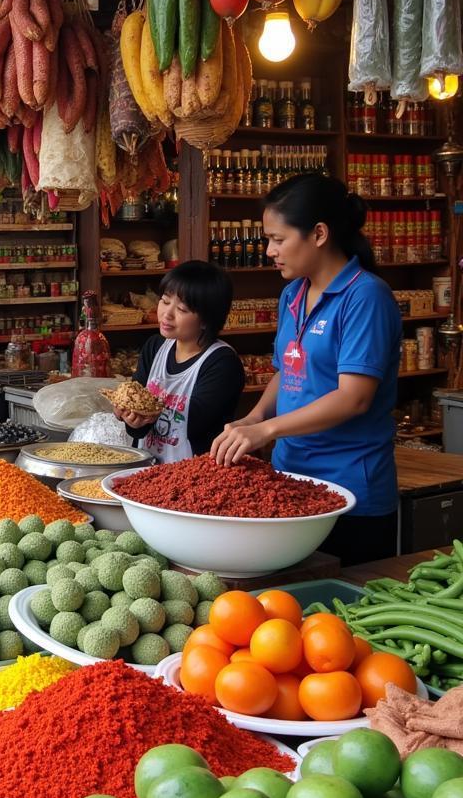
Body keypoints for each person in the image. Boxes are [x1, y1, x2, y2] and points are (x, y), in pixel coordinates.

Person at [211, 174, 402, 564]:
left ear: (318, 234)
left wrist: (269, 430)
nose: (268, 251)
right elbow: (288, 370)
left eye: (278, 239)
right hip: (290, 481)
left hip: (351, 491)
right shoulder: (292, 293)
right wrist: (254, 417)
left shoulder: (366, 296)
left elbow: (354, 398)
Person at [113, 261, 246, 461]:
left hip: (194, 475)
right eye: (165, 301)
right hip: (147, 470)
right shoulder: (155, 346)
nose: (167, 314)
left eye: (182, 309)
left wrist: (147, 412)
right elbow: (138, 419)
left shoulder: (222, 364)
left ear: (206, 320)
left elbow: (195, 425)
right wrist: (130, 416)